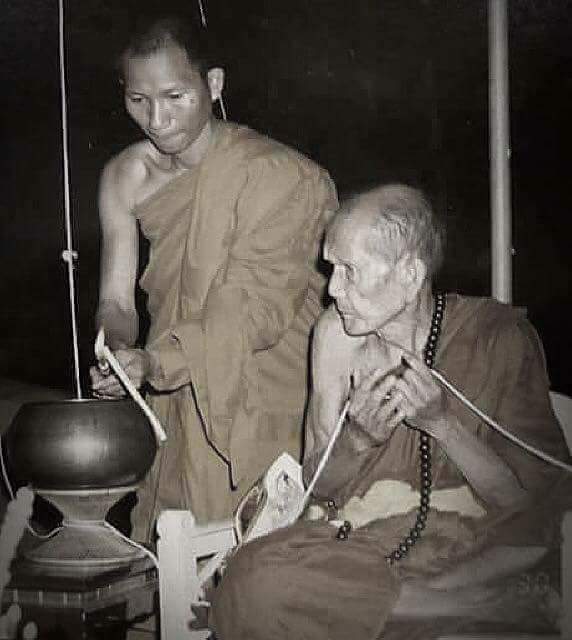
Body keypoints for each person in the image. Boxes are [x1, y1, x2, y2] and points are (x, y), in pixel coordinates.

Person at [210, 184, 571, 639]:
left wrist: (443, 426)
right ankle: (456, 607)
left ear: (410, 274)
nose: (332, 289)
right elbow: (318, 487)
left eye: (349, 271)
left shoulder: (496, 337)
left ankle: (415, 603)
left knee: (266, 591)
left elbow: (528, 504)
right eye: (331, 269)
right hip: (362, 549)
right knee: (250, 576)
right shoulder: (335, 337)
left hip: (469, 550)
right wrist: (356, 441)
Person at [89, 15, 337, 542]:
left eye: (175, 97)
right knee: (170, 550)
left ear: (214, 84)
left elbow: (253, 312)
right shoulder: (124, 177)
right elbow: (118, 301)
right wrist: (116, 352)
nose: (157, 119)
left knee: (254, 558)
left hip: (260, 389)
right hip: (170, 393)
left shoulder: (278, 175)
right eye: (138, 100)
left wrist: (154, 362)